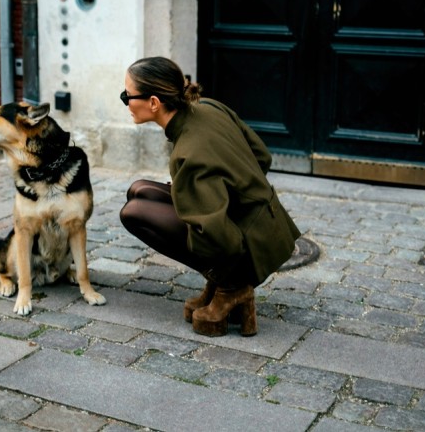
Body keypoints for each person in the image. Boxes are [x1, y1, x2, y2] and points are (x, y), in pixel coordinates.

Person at [118, 57, 300, 337]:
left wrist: (228, 273)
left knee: (134, 213)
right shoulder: (208, 106)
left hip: (250, 249)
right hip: (270, 224)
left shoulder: (189, 152)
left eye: (127, 96)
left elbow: (216, 233)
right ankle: (222, 283)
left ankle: (231, 287)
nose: (126, 102)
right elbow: (262, 157)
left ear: (153, 102)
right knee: (139, 190)